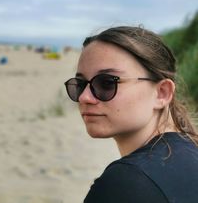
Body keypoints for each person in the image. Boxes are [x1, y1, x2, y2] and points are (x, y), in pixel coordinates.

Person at [64, 26, 198, 203]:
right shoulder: (190, 151)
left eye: (106, 83)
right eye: (80, 84)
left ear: (162, 93)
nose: (84, 97)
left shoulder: (125, 183)